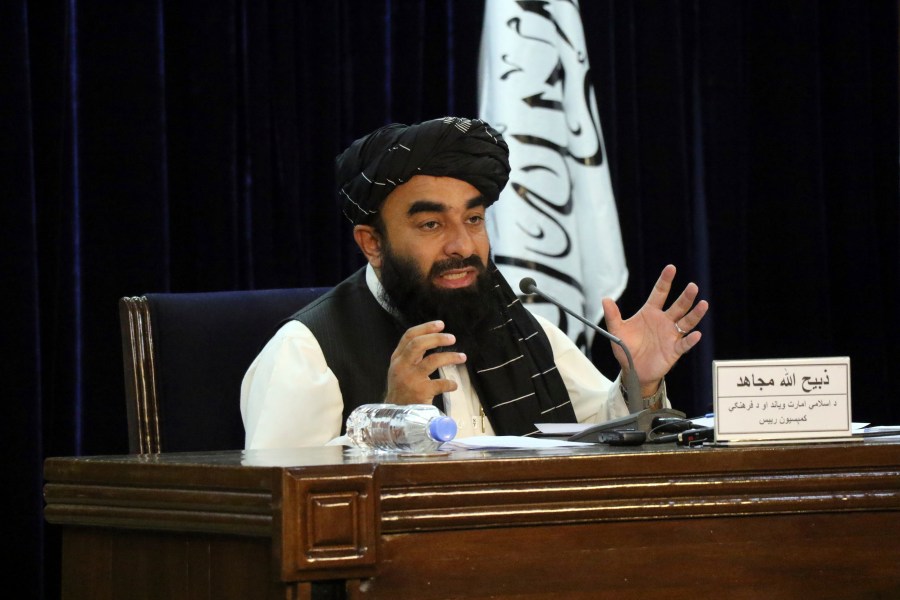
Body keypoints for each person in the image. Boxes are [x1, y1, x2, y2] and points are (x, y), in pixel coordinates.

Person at [240, 116, 708, 449]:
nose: (461, 246)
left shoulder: (520, 326)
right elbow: (280, 499)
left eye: (474, 219)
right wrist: (388, 419)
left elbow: (595, 434)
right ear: (372, 243)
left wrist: (638, 380)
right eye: (431, 225)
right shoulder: (307, 351)